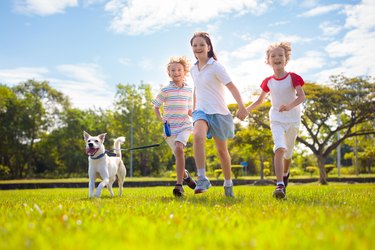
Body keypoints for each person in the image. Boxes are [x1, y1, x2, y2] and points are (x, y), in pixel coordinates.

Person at [244, 41, 305, 199]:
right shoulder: (268, 81)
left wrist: (290, 106)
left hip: (292, 120)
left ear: (286, 58)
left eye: (280, 55)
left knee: (288, 154)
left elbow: (302, 96)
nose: (277, 58)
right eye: (273, 56)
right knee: (279, 148)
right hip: (276, 119)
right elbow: (260, 100)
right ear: (268, 60)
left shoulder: (293, 77)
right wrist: (246, 110)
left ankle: (285, 174)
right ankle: (279, 185)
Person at [190, 32, 248, 197]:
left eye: (202, 44)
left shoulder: (216, 66)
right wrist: (193, 108)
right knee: (197, 136)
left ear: (208, 47)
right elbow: (197, 89)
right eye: (195, 45)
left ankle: (228, 184)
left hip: (219, 112)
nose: (198, 48)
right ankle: (202, 178)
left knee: (222, 151)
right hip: (201, 111)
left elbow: (232, 87)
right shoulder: (193, 69)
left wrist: (242, 106)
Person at [152, 56, 197, 197]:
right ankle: (186, 177)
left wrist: (195, 116)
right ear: (169, 73)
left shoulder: (190, 90)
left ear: (185, 72)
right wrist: (161, 119)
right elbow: (156, 107)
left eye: (179, 70)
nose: (176, 72)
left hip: (185, 125)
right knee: (178, 156)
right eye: (173, 70)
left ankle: (179, 186)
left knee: (179, 148)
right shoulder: (165, 90)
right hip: (170, 129)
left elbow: (190, 109)